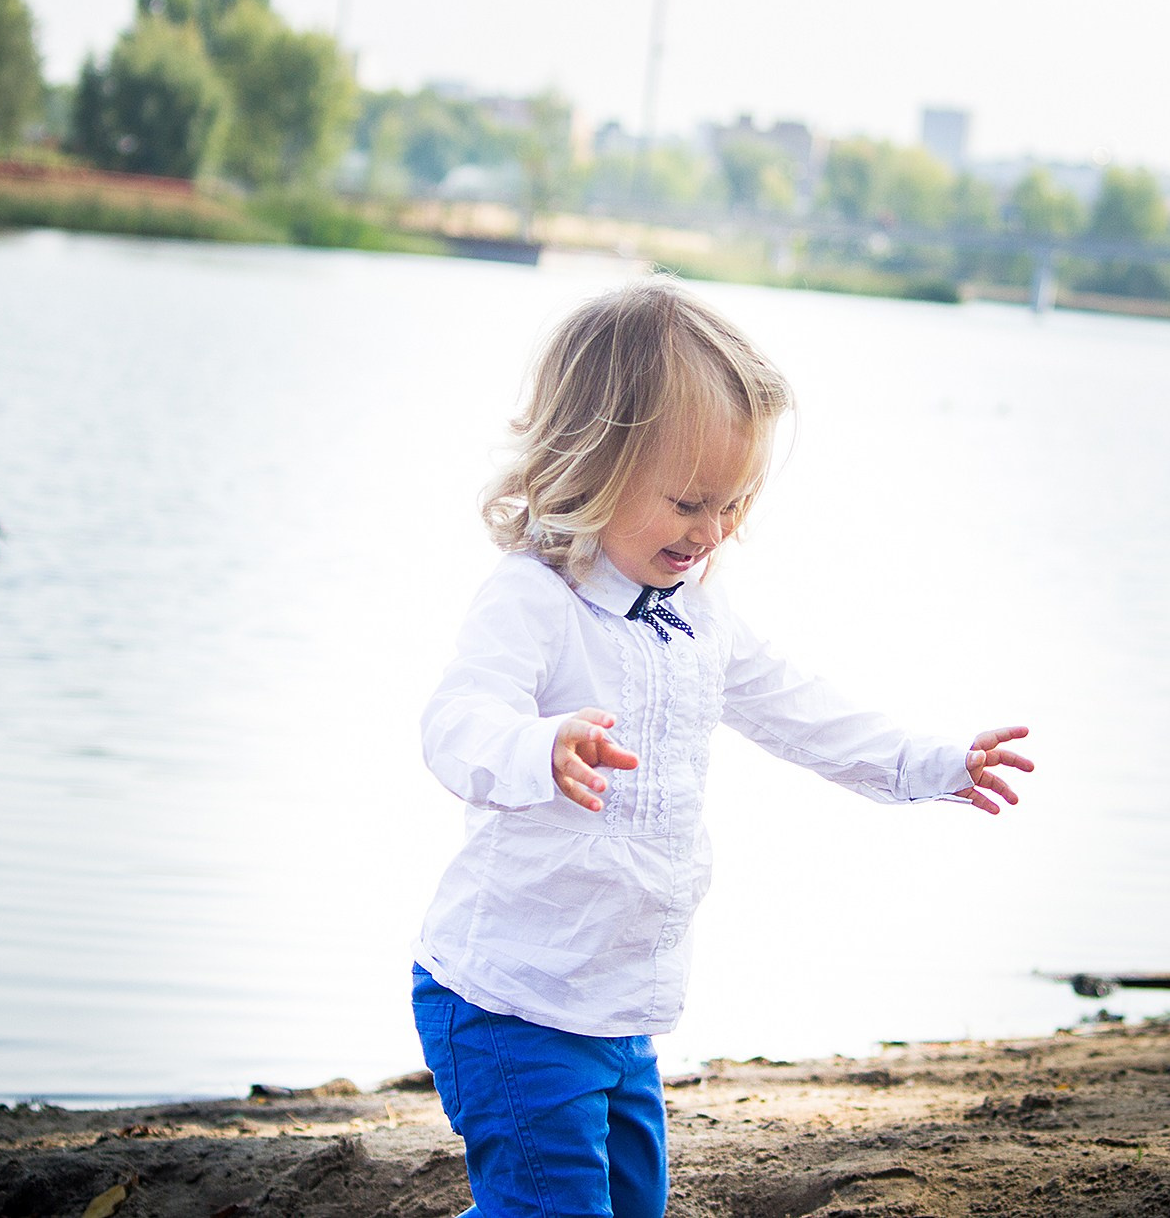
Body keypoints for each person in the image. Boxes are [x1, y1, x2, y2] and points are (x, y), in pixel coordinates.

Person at [413, 277, 1033, 1218]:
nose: (711, 533)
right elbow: (457, 724)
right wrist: (541, 747)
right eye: (690, 502)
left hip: (620, 1008)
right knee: (553, 1210)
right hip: (512, 1000)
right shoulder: (534, 600)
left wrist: (937, 765)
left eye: (734, 505)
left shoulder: (698, 620)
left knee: (630, 1206)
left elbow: (806, 713)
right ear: (595, 465)